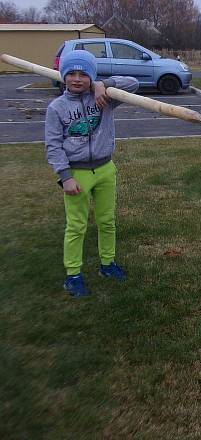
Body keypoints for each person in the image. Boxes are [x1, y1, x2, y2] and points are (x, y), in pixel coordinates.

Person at [45, 49, 139, 297]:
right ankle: (73, 275)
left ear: (91, 76)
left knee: (107, 221)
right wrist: (65, 176)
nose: (77, 79)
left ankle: (107, 265)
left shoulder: (105, 98)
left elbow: (135, 83)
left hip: (105, 168)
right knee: (76, 225)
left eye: (83, 74)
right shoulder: (57, 107)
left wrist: (102, 85)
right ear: (63, 76)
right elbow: (53, 146)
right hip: (77, 173)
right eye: (71, 74)